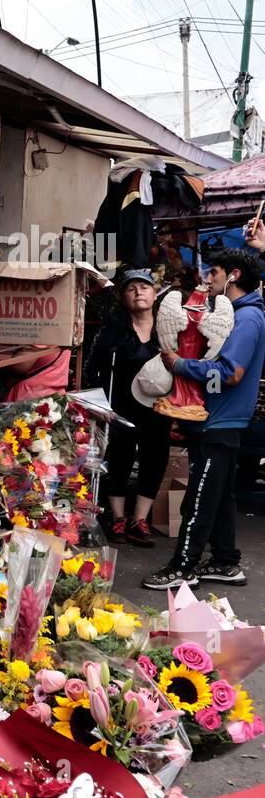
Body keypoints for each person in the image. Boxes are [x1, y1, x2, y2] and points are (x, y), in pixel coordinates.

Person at [144, 242, 265, 589]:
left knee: (198, 497)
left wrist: (181, 365)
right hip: (219, 419)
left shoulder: (247, 317)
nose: (207, 278)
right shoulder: (240, 313)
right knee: (221, 495)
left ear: (234, 276)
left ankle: (183, 565)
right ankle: (226, 561)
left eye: (214, 272)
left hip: (220, 421)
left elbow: (230, 373)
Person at [84, 269, 170, 547]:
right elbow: (91, 369)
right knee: (119, 458)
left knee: (154, 459)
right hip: (120, 406)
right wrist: (97, 404)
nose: (138, 292)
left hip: (159, 408)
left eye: (144, 287)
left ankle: (140, 520)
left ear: (155, 294)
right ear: (123, 296)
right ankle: (118, 518)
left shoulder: (167, 331)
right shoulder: (112, 331)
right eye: (131, 288)